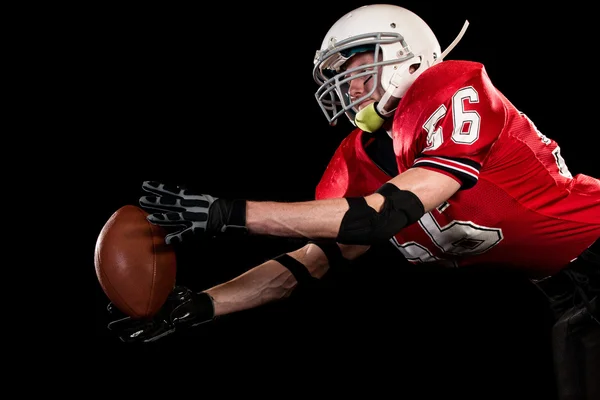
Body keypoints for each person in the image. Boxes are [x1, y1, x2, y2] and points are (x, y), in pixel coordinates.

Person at [105, 4, 600, 399]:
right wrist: (204, 305)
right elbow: (307, 264)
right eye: (339, 71)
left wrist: (229, 214)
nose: (350, 83)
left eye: (358, 63)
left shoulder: (449, 88)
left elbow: (385, 215)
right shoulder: (355, 160)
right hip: (566, 293)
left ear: (408, 56)